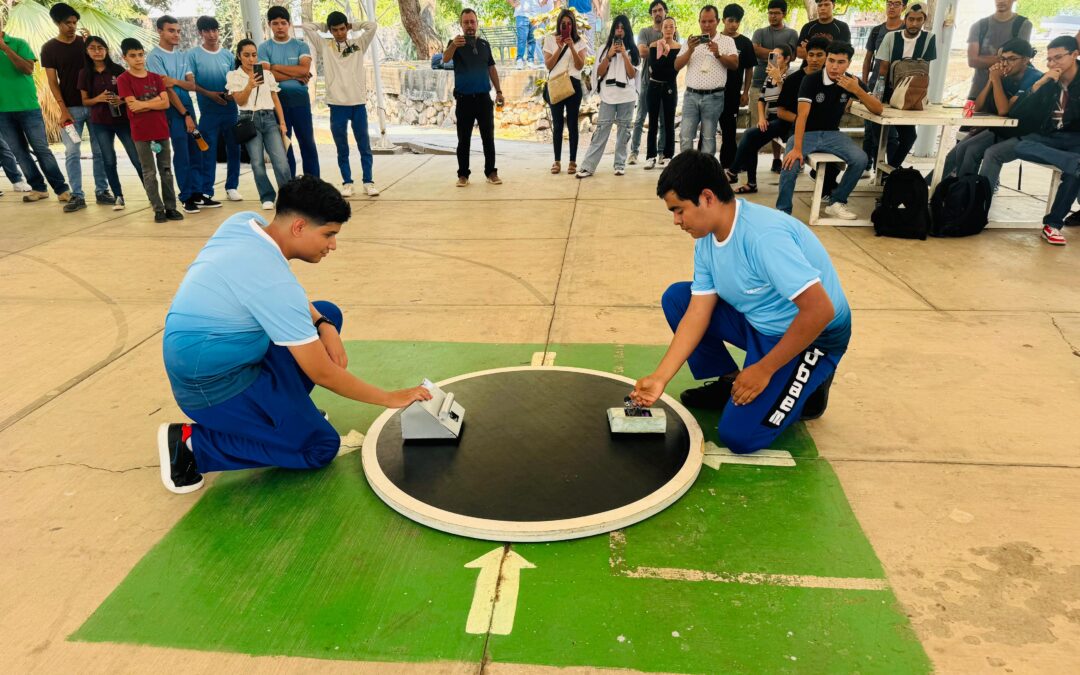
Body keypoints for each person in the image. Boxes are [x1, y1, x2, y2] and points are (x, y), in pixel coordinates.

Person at [157, 176, 432, 494]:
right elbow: (323, 372)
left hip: (223, 357)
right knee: (319, 448)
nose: (333, 245)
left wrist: (324, 324)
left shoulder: (245, 222)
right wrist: (388, 398)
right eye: (328, 234)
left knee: (327, 311)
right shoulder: (273, 285)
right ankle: (193, 446)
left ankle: (289, 411)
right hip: (213, 388)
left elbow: (282, 293)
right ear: (299, 227)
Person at [630, 151, 849, 455]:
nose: (676, 221)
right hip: (759, 323)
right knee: (678, 299)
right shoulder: (706, 239)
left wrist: (764, 369)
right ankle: (731, 381)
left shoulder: (763, 237)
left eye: (679, 210)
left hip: (812, 335)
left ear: (707, 197)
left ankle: (810, 385)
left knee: (740, 437)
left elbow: (820, 310)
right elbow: (697, 312)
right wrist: (660, 377)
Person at [776, 41, 882, 221]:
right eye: (831, 60)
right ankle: (783, 211)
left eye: (841, 62)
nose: (834, 66)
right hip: (806, 133)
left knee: (860, 159)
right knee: (790, 163)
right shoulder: (811, 80)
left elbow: (878, 109)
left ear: (848, 63)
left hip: (832, 133)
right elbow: (802, 117)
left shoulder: (851, 81)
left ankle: (836, 201)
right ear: (826, 60)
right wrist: (796, 148)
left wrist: (857, 90)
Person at [936, 38, 1040, 181]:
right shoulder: (1003, 74)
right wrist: (991, 81)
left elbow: (1004, 111)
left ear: (1026, 59)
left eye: (1011, 59)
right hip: (1001, 127)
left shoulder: (1034, 78)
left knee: (973, 150)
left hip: (1022, 131)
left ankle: (973, 195)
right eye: (1002, 59)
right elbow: (976, 107)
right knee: (960, 148)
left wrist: (996, 80)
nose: (1005, 63)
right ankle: (955, 190)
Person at [1010, 36, 1080, 246]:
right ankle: (1074, 163)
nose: (1052, 64)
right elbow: (1019, 112)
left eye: (1057, 58)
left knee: (1073, 174)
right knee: (1020, 145)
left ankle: (1052, 225)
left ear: (1075, 54)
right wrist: (1041, 83)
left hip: (1076, 138)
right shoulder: (1049, 81)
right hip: (1049, 137)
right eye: (1049, 59)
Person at [41, 3, 111, 212]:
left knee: (100, 151)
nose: (72, 27)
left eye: (74, 22)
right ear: (57, 23)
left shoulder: (85, 44)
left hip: (96, 104)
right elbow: (53, 82)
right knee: (72, 152)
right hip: (71, 108)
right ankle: (77, 195)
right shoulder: (49, 48)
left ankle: (102, 191)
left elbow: (102, 67)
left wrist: (93, 45)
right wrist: (63, 110)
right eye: (67, 23)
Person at [302, 12, 380, 196]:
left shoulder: (358, 44)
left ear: (347, 28)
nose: (339, 33)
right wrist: (324, 27)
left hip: (358, 103)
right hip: (336, 104)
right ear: (330, 30)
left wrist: (353, 25)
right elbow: (307, 27)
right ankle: (347, 182)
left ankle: (368, 181)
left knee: (364, 145)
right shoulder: (325, 45)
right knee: (341, 146)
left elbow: (372, 26)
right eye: (335, 30)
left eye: (342, 28)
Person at [0, 26, 72, 205]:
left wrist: (5, 48)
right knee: (19, 152)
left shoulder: (18, 43)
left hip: (28, 108)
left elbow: (27, 69)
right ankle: (38, 188)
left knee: (41, 149)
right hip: (2, 112)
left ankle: (62, 189)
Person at [148, 16, 209, 214]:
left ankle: (198, 192)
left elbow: (191, 84)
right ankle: (186, 196)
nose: (176, 34)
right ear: (160, 31)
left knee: (196, 150)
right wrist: (185, 115)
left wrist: (174, 80)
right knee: (182, 153)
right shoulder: (154, 57)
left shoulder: (182, 56)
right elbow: (167, 89)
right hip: (173, 111)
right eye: (171, 30)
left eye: (178, 31)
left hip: (187, 107)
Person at [117, 38, 183, 223]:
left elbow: (166, 102)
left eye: (140, 54)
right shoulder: (124, 80)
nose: (138, 59)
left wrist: (143, 103)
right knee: (149, 172)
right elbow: (133, 107)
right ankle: (158, 209)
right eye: (133, 56)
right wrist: (154, 103)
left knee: (166, 171)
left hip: (161, 130)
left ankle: (171, 207)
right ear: (125, 58)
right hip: (141, 133)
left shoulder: (155, 78)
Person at [726, 42, 806, 194]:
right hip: (772, 118)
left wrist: (780, 80)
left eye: (778, 56)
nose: (773, 59)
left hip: (786, 119)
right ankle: (750, 183)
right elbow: (762, 100)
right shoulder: (769, 76)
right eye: (772, 56)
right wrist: (762, 118)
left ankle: (733, 172)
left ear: (787, 59)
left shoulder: (792, 76)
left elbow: (790, 100)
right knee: (752, 143)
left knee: (749, 135)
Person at [227, 39, 293, 211]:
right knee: (257, 162)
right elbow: (240, 102)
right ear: (239, 56)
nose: (251, 59)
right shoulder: (234, 76)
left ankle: (288, 198)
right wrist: (249, 85)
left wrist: (283, 122)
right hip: (249, 119)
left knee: (281, 161)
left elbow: (275, 98)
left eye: (254, 55)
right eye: (246, 55)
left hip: (270, 118)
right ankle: (267, 196)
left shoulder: (267, 74)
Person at [78, 35, 143, 211]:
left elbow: (131, 93)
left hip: (122, 120)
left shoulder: (117, 69)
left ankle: (151, 193)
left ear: (106, 50)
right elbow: (85, 101)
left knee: (137, 158)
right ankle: (118, 196)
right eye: (93, 48)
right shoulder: (85, 73)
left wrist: (120, 100)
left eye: (101, 48)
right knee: (108, 160)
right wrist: (98, 98)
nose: (97, 52)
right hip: (100, 123)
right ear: (87, 51)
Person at [444, 8, 504, 187]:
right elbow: (445, 59)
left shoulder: (485, 45)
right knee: (464, 140)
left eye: (472, 22)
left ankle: (491, 172)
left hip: (484, 99)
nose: (469, 25)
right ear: (461, 25)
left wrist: (499, 92)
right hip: (464, 100)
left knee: (488, 138)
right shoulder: (455, 44)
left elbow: (491, 68)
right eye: (466, 22)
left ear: (477, 23)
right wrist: (454, 45)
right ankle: (463, 175)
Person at [259, 6, 320, 178]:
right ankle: (289, 186)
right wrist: (294, 73)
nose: (280, 27)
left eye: (283, 23)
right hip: (277, 103)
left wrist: (275, 67)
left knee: (307, 143)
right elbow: (265, 76)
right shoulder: (264, 48)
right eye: (275, 23)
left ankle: (313, 184)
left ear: (290, 24)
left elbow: (304, 70)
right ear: (269, 25)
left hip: (300, 102)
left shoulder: (301, 46)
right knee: (285, 146)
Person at [188, 16, 243, 204]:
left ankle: (232, 186)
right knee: (207, 150)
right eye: (207, 31)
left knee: (234, 149)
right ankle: (206, 191)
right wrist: (209, 94)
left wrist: (228, 94)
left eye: (214, 30)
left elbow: (234, 82)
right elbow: (191, 83)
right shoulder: (193, 55)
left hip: (230, 110)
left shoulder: (228, 55)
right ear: (200, 33)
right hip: (208, 112)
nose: (212, 34)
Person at [576, 15, 639, 178]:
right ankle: (588, 166)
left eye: (623, 27)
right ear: (613, 30)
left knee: (624, 131)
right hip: (608, 96)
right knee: (601, 130)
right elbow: (599, 72)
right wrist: (609, 55)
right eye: (617, 27)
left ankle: (619, 164)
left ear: (627, 31)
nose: (619, 30)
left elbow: (632, 74)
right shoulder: (604, 48)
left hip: (627, 96)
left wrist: (624, 54)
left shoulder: (633, 49)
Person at [874, 3, 937, 168]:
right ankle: (888, 171)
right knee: (882, 135)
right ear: (905, 19)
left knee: (908, 137)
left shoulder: (929, 38)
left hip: (912, 96)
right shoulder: (891, 37)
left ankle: (892, 172)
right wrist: (878, 97)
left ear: (925, 20)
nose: (914, 23)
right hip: (890, 94)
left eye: (919, 19)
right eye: (911, 19)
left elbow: (924, 69)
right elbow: (883, 70)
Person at [675, 5, 738, 157]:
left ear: (717, 21)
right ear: (699, 22)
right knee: (685, 136)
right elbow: (676, 65)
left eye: (710, 21)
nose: (707, 25)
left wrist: (718, 54)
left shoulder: (727, 41)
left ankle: (705, 174)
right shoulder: (691, 42)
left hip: (714, 97)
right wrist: (690, 50)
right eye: (703, 21)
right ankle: (687, 172)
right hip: (691, 96)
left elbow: (735, 65)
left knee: (709, 138)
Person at [750, 0, 799, 174]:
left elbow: (791, 56)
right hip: (759, 81)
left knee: (778, 124)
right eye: (770, 13)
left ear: (784, 14)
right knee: (759, 125)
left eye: (776, 13)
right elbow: (754, 50)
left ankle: (782, 160)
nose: (773, 16)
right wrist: (779, 52)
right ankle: (752, 163)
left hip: (783, 83)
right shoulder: (760, 32)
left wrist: (769, 52)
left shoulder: (792, 33)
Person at [543, 8, 589, 175]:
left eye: (569, 24)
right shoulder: (549, 39)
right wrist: (559, 47)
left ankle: (572, 161)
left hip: (574, 85)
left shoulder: (580, 42)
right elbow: (548, 65)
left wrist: (571, 46)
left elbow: (579, 65)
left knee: (572, 124)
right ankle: (556, 161)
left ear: (574, 25)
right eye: (564, 24)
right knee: (557, 124)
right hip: (556, 84)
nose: (567, 26)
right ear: (559, 24)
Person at [630, 0, 675, 165]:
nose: (657, 13)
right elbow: (641, 52)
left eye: (660, 10)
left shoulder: (671, 31)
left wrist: (654, 48)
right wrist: (661, 48)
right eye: (654, 11)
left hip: (665, 83)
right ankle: (634, 152)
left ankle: (662, 153)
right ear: (651, 14)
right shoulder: (645, 31)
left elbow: (675, 53)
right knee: (641, 117)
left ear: (665, 12)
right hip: (646, 82)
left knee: (663, 120)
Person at [862, 0, 905, 170]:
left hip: (897, 88)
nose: (892, 7)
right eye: (889, 3)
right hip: (875, 85)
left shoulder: (907, 30)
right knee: (869, 128)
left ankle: (890, 171)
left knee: (892, 134)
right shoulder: (877, 30)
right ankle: (866, 165)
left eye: (896, 3)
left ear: (904, 7)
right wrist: (864, 84)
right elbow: (868, 59)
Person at [967, 0, 1031, 102]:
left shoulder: (1023, 24)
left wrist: (983, 60)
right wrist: (1008, 60)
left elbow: (1021, 58)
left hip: (1008, 93)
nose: (1001, 1)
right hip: (979, 91)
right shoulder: (979, 25)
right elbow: (972, 61)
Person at [717, 4, 757, 171]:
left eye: (737, 21)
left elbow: (749, 69)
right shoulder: (714, 40)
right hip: (712, 92)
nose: (733, 24)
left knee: (729, 131)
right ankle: (705, 164)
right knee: (707, 131)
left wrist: (745, 92)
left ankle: (729, 165)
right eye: (730, 20)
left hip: (733, 93)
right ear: (723, 21)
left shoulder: (745, 42)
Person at [644, 17, 680, 169]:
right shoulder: (654, 46)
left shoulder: (679, 48)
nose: (668, 29)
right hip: (654, 86)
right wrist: (665, 54)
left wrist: (664, 60)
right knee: (652, 122)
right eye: (666, 26)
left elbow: (673, 72)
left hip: (670, 87)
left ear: (675, 29)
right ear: (662, 29)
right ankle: (650, 156)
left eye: (671, 26)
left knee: (669, 122)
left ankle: (668, 155)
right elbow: (655, 69)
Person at [511, 0, 547, 69]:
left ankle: (530, 61)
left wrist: (542, 2)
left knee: (532, 39)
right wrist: (512, 3)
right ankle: (520, 60)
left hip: (535, 15)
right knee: (522, 38)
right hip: (522, 14)